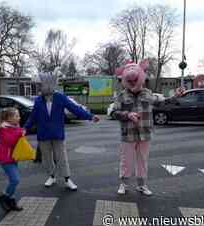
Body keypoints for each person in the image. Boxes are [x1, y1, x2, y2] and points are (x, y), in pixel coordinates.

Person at [112, 60, 182, 196]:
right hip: (128, 134)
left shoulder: (148, 93)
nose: (132, 82)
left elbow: (162, 102)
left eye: (135, 80)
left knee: (142, 160)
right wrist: (127, 114)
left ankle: (142, 185)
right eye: (130, 81)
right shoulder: (121, 95)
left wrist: (175, 96)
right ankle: (124, 184)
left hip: (145, 134)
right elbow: (114, 112)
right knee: (126, 161)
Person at [24, 72, 100, 191]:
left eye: (42, 85)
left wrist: (90, 116)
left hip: (57, 133)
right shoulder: (38, 100)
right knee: (47, 158)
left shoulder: (60, 97)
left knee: (62, 157)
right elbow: (33, 117)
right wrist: (25, 129)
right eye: (41, 85)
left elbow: (75, 109)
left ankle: (67, 179)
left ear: (50, 86)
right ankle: (52, 176)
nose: (40, 88)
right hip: (43, 135)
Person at [0, 107, 25, 212]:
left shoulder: (14, 126)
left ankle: (11, 201)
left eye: (18, 115)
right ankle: (4, 197)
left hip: (13, 157)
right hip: (5, 158)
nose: (19, 118)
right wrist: (20, 133)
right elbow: (9, 141)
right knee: (15, 180)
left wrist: (20, 132)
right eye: (16, 116)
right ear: (8, 118)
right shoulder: (3, 128)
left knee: (13, 181)